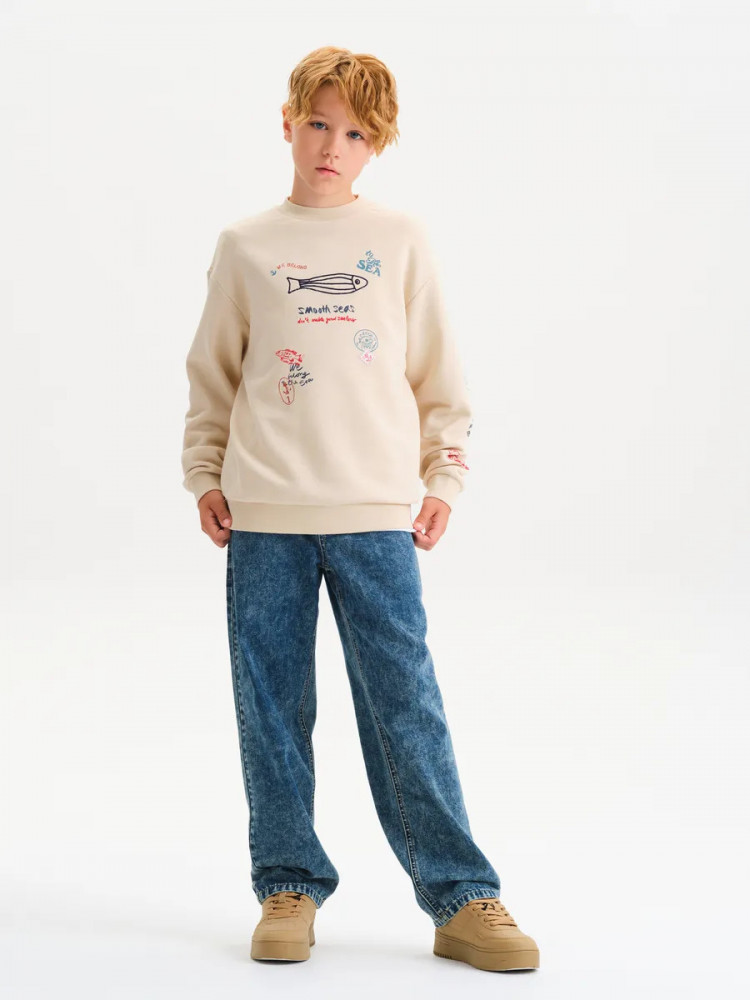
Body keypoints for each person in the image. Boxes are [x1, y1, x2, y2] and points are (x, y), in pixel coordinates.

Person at [180, 45, 539, 974]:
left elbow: (439, 377)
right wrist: (206, 473)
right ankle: (288, 883)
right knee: (271, 708)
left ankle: (460, 895)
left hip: (376, 514)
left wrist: (443, 478)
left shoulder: (401, 241)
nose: (331, 146)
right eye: (317, 124)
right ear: (288, 123)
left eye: (354, 134)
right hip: (264, 516)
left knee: (404, 703)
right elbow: (213, 375)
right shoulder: (246, 246)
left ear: (375, 146)